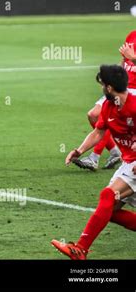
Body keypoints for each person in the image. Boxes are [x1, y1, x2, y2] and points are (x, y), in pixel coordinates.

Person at [52, 65, 136, 259]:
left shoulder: (134, 105)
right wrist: (79, 150)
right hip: (128, 163)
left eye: (102, 85)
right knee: (109, 211)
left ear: (109, 88)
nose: (101, 88)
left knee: (108, 196)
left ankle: (80, 248)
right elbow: (99, 131)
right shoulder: (108, 107)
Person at [72, 31, 136, 170]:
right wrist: (110, 78)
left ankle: (94, 157)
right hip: (122, 87)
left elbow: (131, 58)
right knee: (93, 115)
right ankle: (114, 152)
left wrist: (134, 58)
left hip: (133, 93)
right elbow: (124, 62)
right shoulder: (132, 36)